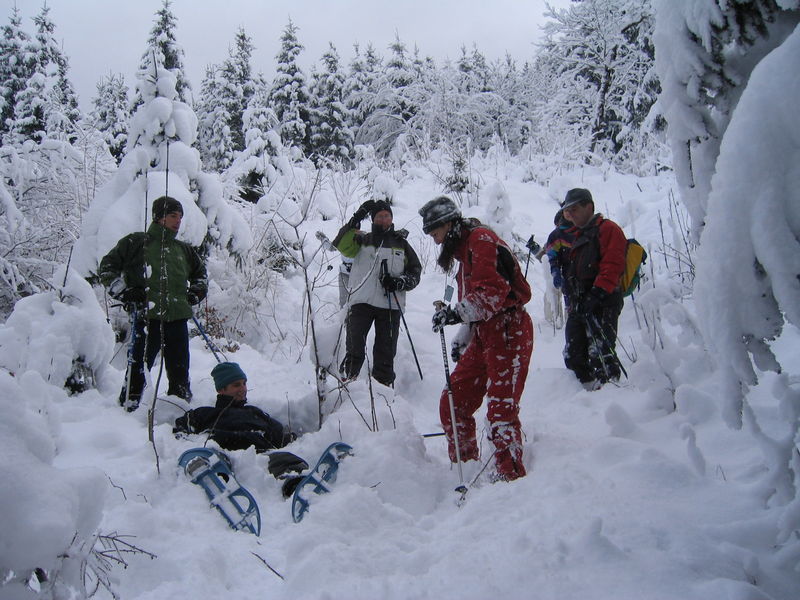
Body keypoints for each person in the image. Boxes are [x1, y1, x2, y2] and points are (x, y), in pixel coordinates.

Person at [419, 196, 533, 482]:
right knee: (453, 401)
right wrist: (464, 336)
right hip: (484, 333)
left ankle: (511, 479)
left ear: (448, 224)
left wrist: (455, 314)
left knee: (500, 412)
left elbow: (492, 294)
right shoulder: (465, 253)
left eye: (435, 233)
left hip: (509, 329)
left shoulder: (481, 241)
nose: (435, 241)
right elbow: (475, 303)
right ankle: (466, 470)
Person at [99, 196, 207, 410]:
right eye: (172, 216)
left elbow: (200, 275)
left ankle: (179, 409)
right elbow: (107, 268)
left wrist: (194, 294)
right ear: (159, 218)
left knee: (179, 371)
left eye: (180, 217)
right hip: (147, 318)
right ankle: (129, 409)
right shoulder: (136, 242)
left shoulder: (183, 249)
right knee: (139, 368)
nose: (178, 221)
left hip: (177, 318)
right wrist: (125, 292)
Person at [333, 199, 421, 387]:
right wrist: (355, 218)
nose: (384, 219)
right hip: (361, 302)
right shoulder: (362, 239)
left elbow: (415, 272)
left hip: (390, 305)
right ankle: (346, 385)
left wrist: (399, 282)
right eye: (380, 216)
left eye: (387, 216)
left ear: (391, 218)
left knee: (385, 353)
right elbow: (341, 244)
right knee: (354, 348)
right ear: (373, 219)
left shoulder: (402, 244)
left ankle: (383, 391)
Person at [559, 188, 627, 389]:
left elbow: (613, 265)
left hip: (604, 301)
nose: (571, 215)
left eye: (575, 209)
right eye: (567, 211)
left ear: (589, 206)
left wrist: (596, 294)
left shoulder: (608, 230)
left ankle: (610, 394)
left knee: (601, 353)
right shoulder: (579, 234)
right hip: (580, 303)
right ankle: (586, 395)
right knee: (574, 354)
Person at [173, 362, 294, 452]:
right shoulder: (204, 414)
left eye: (244, 383)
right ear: (221, 389)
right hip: (227, 466)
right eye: (236, 385)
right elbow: (180, 434)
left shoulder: (254, 412)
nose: (243, 389)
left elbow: (281, 436)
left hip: (266, 463)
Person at [543, 208, 575, 310]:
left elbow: (550, 256)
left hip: (569, 278)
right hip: (575, 279)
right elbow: (549, 255)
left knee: (573, 311)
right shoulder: (584, 229)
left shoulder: (556, 235)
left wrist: (555, 270)